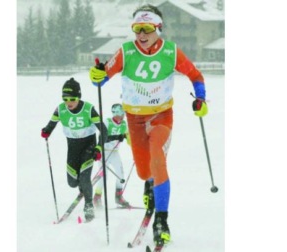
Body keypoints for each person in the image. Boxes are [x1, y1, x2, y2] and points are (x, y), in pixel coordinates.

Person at [89, 4, 208, 245]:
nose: (141, 35)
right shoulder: (126, 52)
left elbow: (196, 76)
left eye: (147, 28)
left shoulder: (171, 52)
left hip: (160, 117)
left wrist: (201, 99)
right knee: (144, 171)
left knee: (158, 158)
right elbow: (100, 80)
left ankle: (161, 221)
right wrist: (97, 76)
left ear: (158, 28)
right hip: (134, 119)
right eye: (137, 29)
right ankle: (150, 184)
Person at [41, 77, 107, 222]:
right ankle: (83, 187)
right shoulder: (61, 109)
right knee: (72, 182)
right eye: (65, 98)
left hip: (88, 146)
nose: (69, 102)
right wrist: (46, 131)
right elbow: (51, 124)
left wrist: (98, 147)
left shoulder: (88, 109)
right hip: (72, 147)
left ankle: (88, 204)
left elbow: (104, 129)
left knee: (84, 177)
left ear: (78, 96)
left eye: (72, 98)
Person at [93, 103, 131, 208]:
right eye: (118, 114)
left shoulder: (123, 124)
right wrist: (117, 137)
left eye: (122, 114)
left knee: (120, 174)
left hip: (114, 152)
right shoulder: (107, 122)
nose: (120, 117)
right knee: (103, 175)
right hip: (104, 151)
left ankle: (118, 197)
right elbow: (103, 137)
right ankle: (97, 196)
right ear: (114, 114)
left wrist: (136, 148)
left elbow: (128, 139)